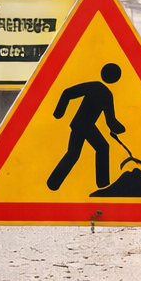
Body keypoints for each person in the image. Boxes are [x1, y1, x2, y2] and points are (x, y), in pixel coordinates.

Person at [47, 62, 126, 192]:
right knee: (102, 147)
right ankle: (103, 184)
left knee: (73, 154)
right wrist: (120, 129)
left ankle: (53, 183)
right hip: (86, 126)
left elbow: (67, 93)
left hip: (79, 124)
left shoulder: (95, 86)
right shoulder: (106, 93)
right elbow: (110, 120)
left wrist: (58, 113)